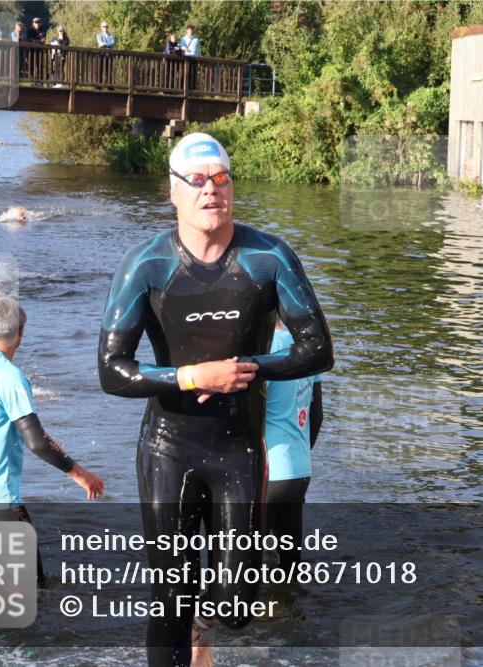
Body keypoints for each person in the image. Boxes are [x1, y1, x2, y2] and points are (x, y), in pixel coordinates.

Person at [98, 132, 333, 667]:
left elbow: (317, 349)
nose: (212, 190)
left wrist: (244, 372)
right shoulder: (148, 265)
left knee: (237, 605)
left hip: (239, 451)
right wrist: (190, 376)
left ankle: (207, 622)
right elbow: (111, 371)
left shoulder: (268, 257)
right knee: (169, 601)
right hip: (168, 447)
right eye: (198, 181)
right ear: (174, 191)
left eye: (221, 179)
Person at [0, 296, 105, 586]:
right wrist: (80, 474)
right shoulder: (10, 378)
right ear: (21, 333)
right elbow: (37, 441)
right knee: (33, 589)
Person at [263, 321, 323, 571]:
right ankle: (286, 608)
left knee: (240, 569)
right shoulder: (308, 347)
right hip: (299, 471)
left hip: (269, 473)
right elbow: (316, 415)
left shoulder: (265, 347)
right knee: (288, 570)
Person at [96, 21, 115, 87]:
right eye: (104, 26)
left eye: (106, 26)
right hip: (101, 55)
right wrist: (105, 45)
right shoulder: (99, 35)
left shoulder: (111, 36)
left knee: (109, 71)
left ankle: (109, 85)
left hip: (109, 55)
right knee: (100, 70)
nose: (105, 28)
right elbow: (100, 43)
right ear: (101, 28)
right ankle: (99, 85)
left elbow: (113, 43)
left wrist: (105, 44)